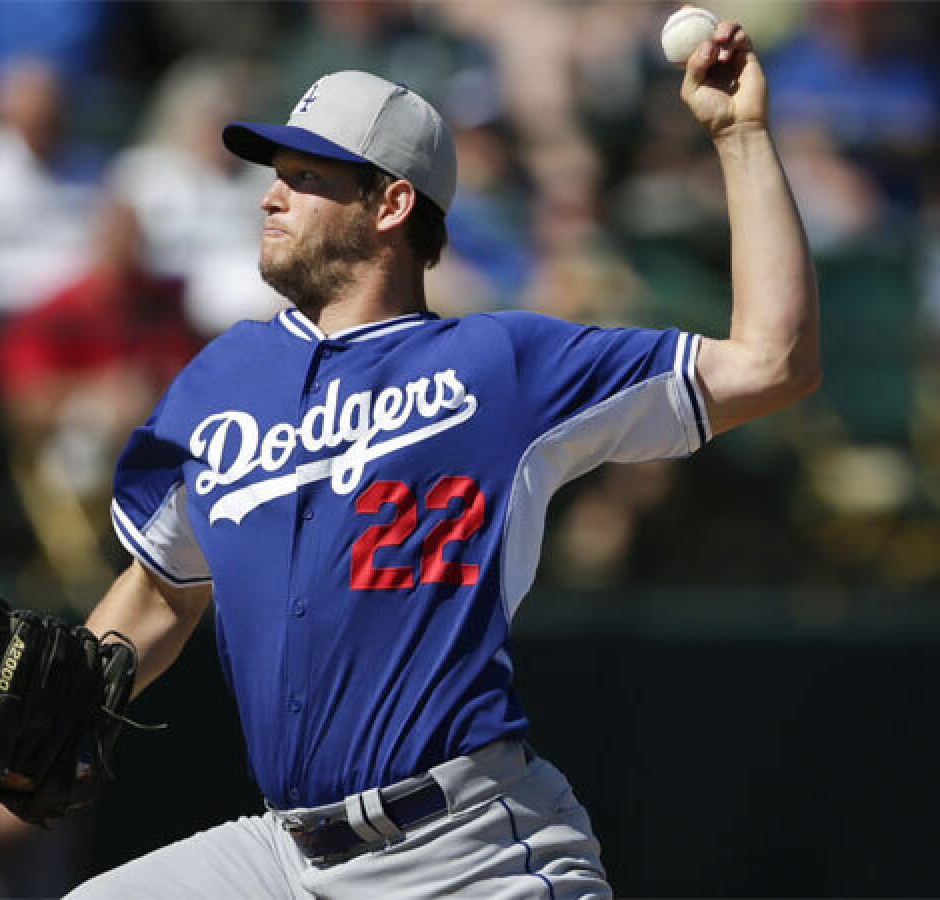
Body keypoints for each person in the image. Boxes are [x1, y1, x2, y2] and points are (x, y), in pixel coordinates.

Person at [68, 19, 819, 898]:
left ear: (390, 205)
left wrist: (741, 136)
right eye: (277, 176)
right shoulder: (220, 381)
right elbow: (164, 582)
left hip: (463, 850)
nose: (273, 197)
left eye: (308, 177)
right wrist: (70, 694)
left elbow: (773, 364)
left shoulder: (501, 367)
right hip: (281, 854)